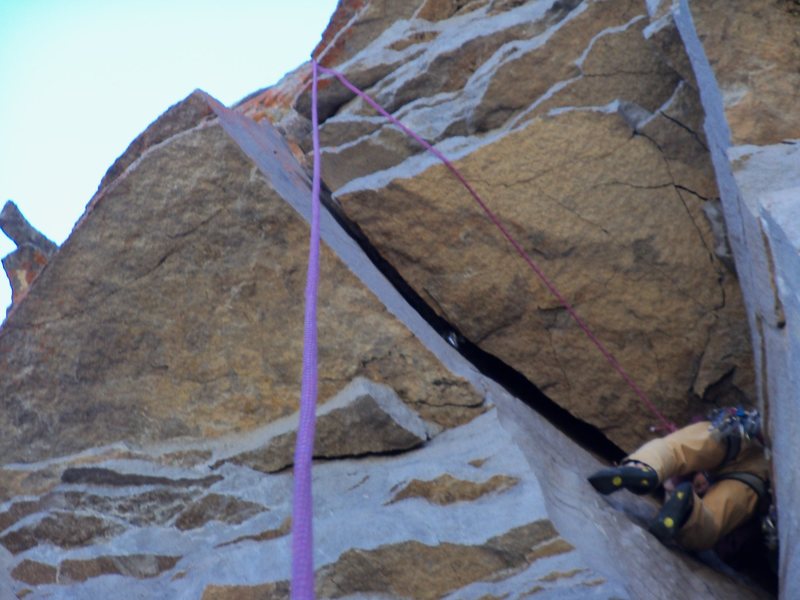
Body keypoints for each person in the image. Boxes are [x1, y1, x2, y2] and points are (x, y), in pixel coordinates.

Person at [588, 408, 770, 551]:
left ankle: (644, 467)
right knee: (714, 520)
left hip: (742, 429)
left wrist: (687, 478)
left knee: (676, 449)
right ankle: (688, 514)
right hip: (761, 473)